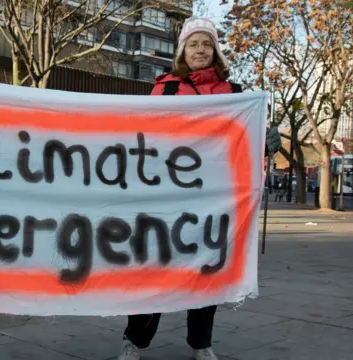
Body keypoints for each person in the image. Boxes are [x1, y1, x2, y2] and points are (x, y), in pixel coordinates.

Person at [117, 17, 281, 360]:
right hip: (166, 198)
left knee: (208, 271)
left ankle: (201, 344)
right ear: (182, 52)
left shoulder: (237, 95)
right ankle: (135, 341)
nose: (200, 50)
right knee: (155, 271)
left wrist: (266, 142)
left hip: (217, 202)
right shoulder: (167, 89)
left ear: (216, 52)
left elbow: (248, 144)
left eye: (207, 44)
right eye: (193, 44)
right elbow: (145, 137)